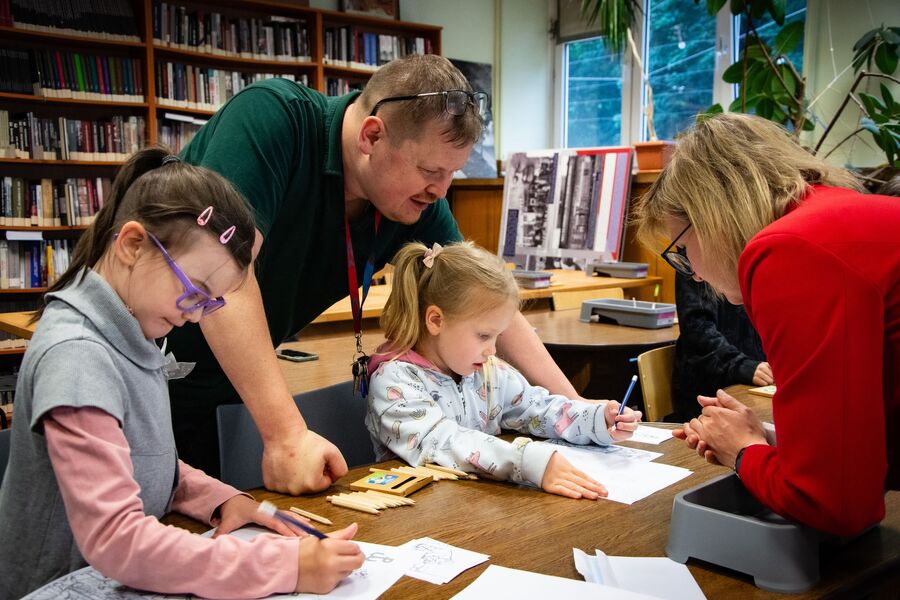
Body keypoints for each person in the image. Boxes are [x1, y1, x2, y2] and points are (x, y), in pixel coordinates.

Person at [166, 54, 596, 494]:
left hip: (223, 382)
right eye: (430, 171)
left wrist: (574, 404)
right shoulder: (274, 119)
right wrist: (287, 436)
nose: (441, 191)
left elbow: (483, 298)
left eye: (452, 174)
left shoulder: (410, 199)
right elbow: (222, 275)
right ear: (372, 135)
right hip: (139, 364)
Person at [0, 148, 364, 599]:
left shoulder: (129, 332)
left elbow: (142, 462)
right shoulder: (77, 357)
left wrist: (222, 499)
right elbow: (118, 540)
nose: (196, 316)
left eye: (210, 303)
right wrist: (280, 565)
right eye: (194, 292)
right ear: (133, 245)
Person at [634, 113, 899, 536]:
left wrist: (744, 451)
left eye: (682, 249)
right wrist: (773, 441)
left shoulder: (789, 249)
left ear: (711, 216)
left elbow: (837, 504)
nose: (694, 275)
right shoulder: (835, 213)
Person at [364, 241, 642, 499]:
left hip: (479, 505)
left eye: (497, 336)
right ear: (436, 320)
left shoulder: (486, 371)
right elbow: (444, 442)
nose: (493, 350)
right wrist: (526, 461)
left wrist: (595, 420)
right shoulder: (394, 380)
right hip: (419, 518)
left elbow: (536, 408)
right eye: (484, 336)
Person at [671, 271, 771, 421]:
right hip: (708, 388)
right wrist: (743, 366)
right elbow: (697, 330)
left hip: (755, 382)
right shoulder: (694, 256)